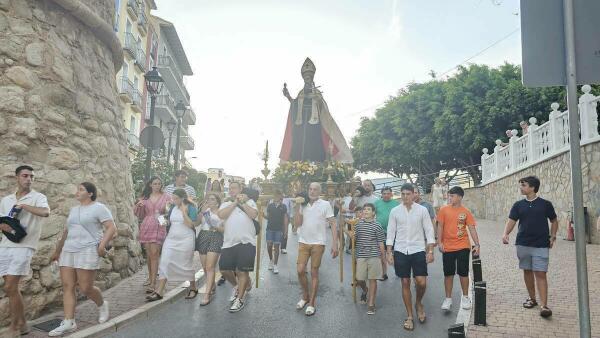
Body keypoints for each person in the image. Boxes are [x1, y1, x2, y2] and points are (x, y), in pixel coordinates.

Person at [49, 182, 116, 336]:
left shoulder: (99, 208)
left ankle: (102, 304)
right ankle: (69, 321)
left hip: (87, 249)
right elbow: (67, 232)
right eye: (77, 189)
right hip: (69, 250)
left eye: (81, 189)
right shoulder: (74, 210)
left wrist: (101, 246)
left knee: (85, 288)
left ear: (90, 193)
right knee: (67, 286)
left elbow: (112, 228)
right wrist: (57, 251)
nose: (77, 192)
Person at [0, 165, 50, 337]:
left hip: (24, 246)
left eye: (31, 176)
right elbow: (1, 220)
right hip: (5, 245)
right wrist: (4, 225)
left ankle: (14, 328)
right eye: (25, 176)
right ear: (17, 177)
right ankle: (24, 325)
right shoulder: (6, 199)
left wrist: (24, 206)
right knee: (11, 289)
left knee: (10, 286)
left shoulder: (38, 197)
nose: (28, 179)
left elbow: (45, 212)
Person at [502, 176, 558, 318]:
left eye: (524, 185)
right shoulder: (518, 205)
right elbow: (512, 220)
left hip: (541, 244)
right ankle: (532, 299)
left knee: (541, 273)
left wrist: (553, 236)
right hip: (523, 244)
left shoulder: (545, 204)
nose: (521, 187)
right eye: (520, 185)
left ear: (533, 187)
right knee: (527, 271)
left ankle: (544, 306)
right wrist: (506, 233)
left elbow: (554, 220)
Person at [280, 57, 353, 163]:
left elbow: (322, 107)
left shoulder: (317, 92)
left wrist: (317, 99)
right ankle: (300, 165)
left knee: (315, 144)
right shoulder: (301, 93)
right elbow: (295, 104)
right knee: (299, 144)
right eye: (305, 78)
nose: (307, 80)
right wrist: (288, 96)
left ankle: (317, 164)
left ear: (312, 79)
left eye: (309, 78)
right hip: (301, 125)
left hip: (314, 125)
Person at [386, 183, 435, 331]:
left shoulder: (422, 210)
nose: (405, 197)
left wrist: (431, 251)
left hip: (418, 249)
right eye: (403, 194)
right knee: (405, 282)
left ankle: (418, 302)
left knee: (421, 282)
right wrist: (389, 252)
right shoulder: (395, 211)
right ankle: (409, 316)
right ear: (400, 195)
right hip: (400, 250)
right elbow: (391, 232)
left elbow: (429, 229)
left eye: (408, 194)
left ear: (414, 194)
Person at [294, 182, 339, 316]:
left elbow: (333, 223)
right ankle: (305, 296)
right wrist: (297, 206)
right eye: (310, 189)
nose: (312, 191)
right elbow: (297, 224)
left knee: (314, 272)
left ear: (319, 192)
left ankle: (312, 303)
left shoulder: (325, 204)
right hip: (303, 241)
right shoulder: (303, 204)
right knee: (300, 270)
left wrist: (335, 243)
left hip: (318, 243)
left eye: (315, 189)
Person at [147, 189, 198, 302]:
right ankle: (159, 291)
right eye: (172, 198)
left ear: (182, 198)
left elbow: (191, 225)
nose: (173, 200)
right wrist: (160, 218)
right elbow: (168, 223)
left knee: (186, 264)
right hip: (171, 239)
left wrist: (184, 211)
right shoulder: (172, 208)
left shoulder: (191, 207)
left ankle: (193, 287)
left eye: (175, 198)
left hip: (186, 239)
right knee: (165, 261)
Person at [437, 186, 480, 311]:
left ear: (460, 197)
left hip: (463, 246)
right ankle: (448, 299)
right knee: (448, 274)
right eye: (449, 196)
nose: (450, 198)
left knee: (463, 272)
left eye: (453, 196)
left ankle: (465, 297)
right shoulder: (443, 210)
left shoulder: (465, 211)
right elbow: (440, 227)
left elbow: (471, 228)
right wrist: (439, 242)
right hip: (448, 247)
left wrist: (477, 244)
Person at [217, 181, 258, 313]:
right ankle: (237, 286)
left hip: (247, 242)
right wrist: (235, 202)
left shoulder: (250, 202)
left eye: (234, 188)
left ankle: (240, 299)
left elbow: (253, 215)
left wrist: (242, 203)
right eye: (231, 188)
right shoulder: (226, 203)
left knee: (242, 271)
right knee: (224, 269)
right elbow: (221, 215)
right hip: (229, 242)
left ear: (241, 189)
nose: (232, 190)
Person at [345, 203, 385, 315]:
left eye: (369, 209)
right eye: (364, 209)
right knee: (359, 278)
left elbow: (381, 242)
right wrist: (350, 234)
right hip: (361, 255)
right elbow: (354, 237)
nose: (366, 211)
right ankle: (365, 290)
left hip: (374, 255)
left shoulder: (377, 225)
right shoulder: (357, 225)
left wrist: (383, 257)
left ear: (373, 213)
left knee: (373, 279)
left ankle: (371, 304)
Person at [134, 177, 171, 293]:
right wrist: (138, 206)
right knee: (150, 255)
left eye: (159, 184)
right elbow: (139, 215)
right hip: (147, 225)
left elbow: (168, 212)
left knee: (155, 254)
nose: (157, 186)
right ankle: (150, 279)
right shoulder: (145, 197)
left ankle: (154, 283)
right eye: (155, 184)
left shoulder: (166, 197)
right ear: (150, 185)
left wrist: (166, 209)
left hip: (160, 224)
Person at [195, 193, 224, 306]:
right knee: (204, 267)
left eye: (212, 199)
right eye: (208, 199)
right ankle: (211, 285)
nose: (209, 201)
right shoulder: (204, 211)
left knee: (210, 267)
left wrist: (216, 227)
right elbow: (196, 223)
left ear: (217, 202)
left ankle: (207, 295)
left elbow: (224, 229)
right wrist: (201, 212)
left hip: (215, 236)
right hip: (203, 236)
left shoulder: (221, 212)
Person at [374, 186, 399, 281]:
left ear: (391, 194)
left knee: (394, 254)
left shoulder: (396, 203)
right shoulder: (377, 203)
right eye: (384, 193)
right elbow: (372, 215)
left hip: (394, 233)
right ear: (381, 194)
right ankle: (384, 274)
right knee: (382, 254)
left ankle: (397, 269)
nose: (386, 195)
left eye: (388, 193)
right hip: (380, 233)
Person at [264, 190, 288, 274]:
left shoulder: (284, 206)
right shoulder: (270, 206)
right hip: (270, 229)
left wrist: (285, 231)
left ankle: (275, 265)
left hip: (278, 230)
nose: (278, 197)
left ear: (281, 196)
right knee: (269, 245)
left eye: (279, 195)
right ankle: (271, 260)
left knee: (277, 247)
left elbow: (285, 219)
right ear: (274, 196)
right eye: (276, 195)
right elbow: (268, 217)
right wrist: (263, 215)